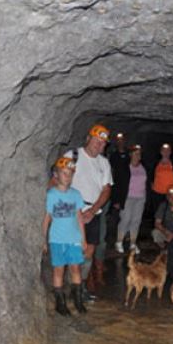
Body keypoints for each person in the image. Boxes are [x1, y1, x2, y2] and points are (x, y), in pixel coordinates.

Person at [64, 124, 113, 300]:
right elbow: (57, 181)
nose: (98, 145)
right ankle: (73, 286)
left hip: (93, 211)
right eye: (96, 141)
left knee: (89, 250)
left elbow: (106, 189)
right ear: (88, 138)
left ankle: (81, 286)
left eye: (102, 143)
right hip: (72, 210)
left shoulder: (104, 163)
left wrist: (93, 211)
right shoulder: (72, 156)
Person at [42, 157, 88, 316]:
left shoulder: (76, 194)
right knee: (58, 271)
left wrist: (83, 239)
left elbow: (79, 217)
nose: (67, 176)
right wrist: (44, 240)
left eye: (70, 173)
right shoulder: (51, 195)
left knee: (76, 269)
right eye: (64, 173)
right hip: (57, 239)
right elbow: (47, 218)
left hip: (74, 238)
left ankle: (78, 301)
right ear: (57, 175)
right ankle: (60, 304)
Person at [114, 144, 147, 254]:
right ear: (130, 155)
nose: (137, 156)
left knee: (136, 221)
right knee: (126, 219)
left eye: (139, 154)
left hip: (140, 198)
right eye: (135, 154)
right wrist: (117, 200)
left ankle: (133, 243)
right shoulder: (124, 167)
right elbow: (117, 183)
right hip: (128, 197)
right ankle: (119, 242)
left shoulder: (143, 167)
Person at [151, 143, 173, 214]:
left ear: (170, 152)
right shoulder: (156, 163)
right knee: (158, 212)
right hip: (157, 193)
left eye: (168, 150)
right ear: (161, 152)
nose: (166, 152)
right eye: (164, 150)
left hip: (171, 193)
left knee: (171, 212)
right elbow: (151, 175)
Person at [151, 184, 173, 248]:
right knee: (155, 233)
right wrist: (167, 232)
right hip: (167, 233)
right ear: (167, 197)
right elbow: (157, 223)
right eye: (170, 196)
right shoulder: (163, 206)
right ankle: (163, 248)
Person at [109, 132, 131, 213]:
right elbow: (111, 172)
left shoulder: (129, 154)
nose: (120, 142)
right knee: (116, 213)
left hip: (129, 186)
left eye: (122, 140)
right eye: (118, 140)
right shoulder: (113, 156)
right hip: (117, 186)